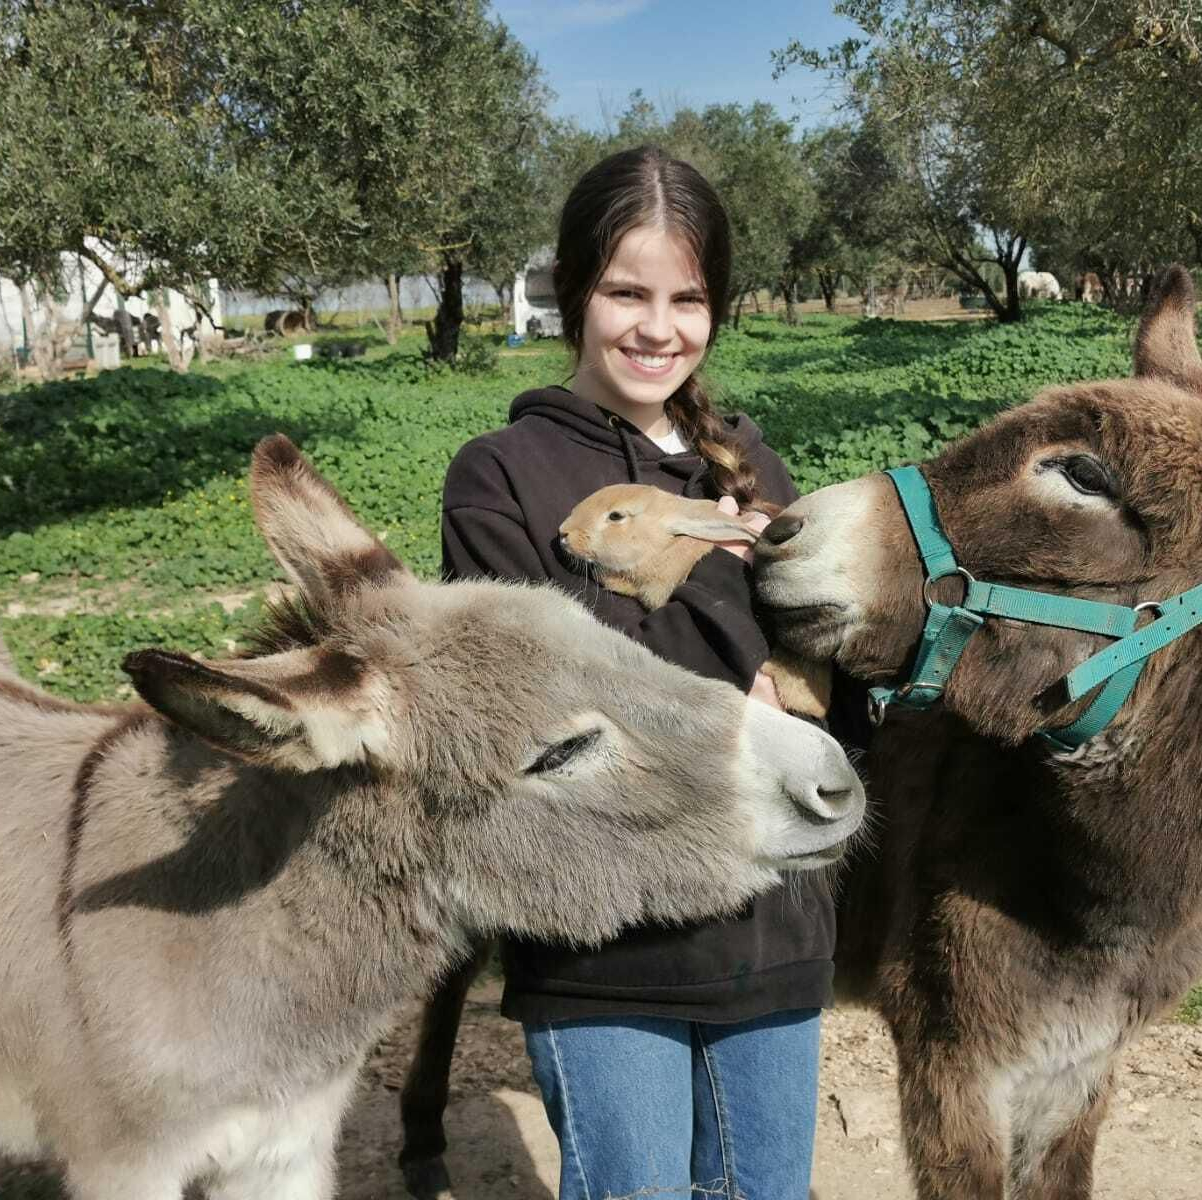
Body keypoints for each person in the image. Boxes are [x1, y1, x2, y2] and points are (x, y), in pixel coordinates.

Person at [440, 145, 831, 1200]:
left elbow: (816, 668)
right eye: (626, 292)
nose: (657, 327)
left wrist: (665, 607)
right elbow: (552, 705)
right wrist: (727, 599)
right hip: (601, 934)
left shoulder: (745, 461)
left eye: (687, 298)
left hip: (771, 920)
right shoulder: (501, 476)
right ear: (574, 291)